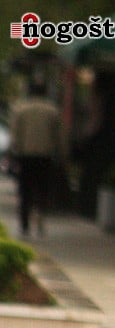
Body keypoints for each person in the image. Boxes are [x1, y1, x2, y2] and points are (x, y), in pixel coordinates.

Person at [10, 79, 64, 238]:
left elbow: (15, 134)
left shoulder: (20, 110)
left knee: (24, 190)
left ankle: (24, 224)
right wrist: (62, 154)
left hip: (25, 155)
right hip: (45, 155)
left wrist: (14, 151)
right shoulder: (52, 111)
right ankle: (40, 218)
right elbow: (59, 136)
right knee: (42, 189)